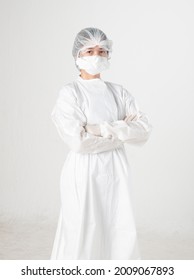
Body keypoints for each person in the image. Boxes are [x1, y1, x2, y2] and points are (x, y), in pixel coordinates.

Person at [50, 27, 152, 260]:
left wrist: (99, 129)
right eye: (89, 50)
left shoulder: (118, 93)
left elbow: (144, 131)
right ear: (77, 55)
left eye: (102, 51)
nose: (97, 55)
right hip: (83, 172)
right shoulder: (70, 93)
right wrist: (122, 132)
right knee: (82, 231)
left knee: (118, 228)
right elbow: (78, 143)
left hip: (116, 170)